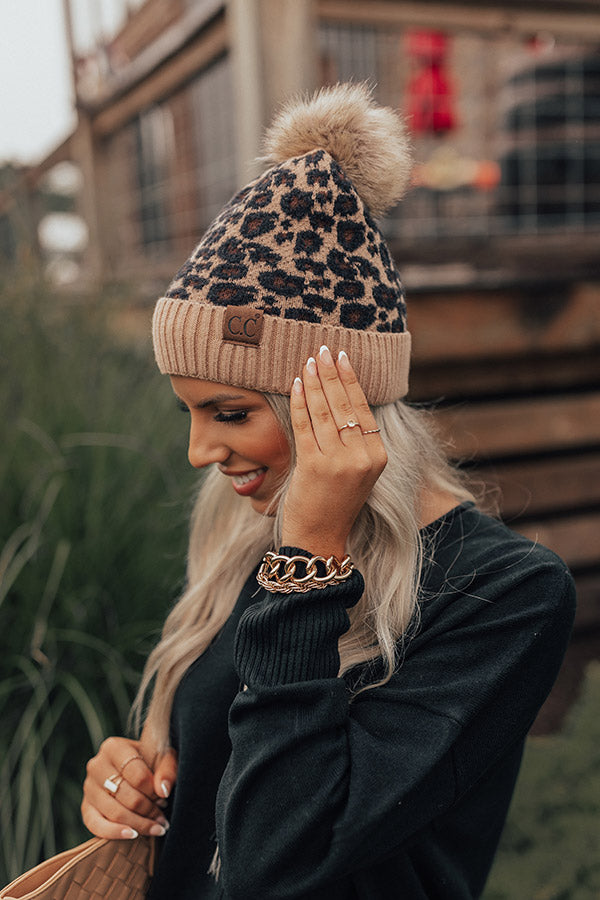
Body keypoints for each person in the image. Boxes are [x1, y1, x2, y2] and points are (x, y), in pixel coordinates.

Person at [81, 83, 576, 899]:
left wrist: (311, 558)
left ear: (331, 401)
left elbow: (280, 860)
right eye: (190, 413)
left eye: (230, 412)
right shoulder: (249, 529)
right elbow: (217, 787)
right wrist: (135, 779)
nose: (202, 450)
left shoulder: (507, 595)